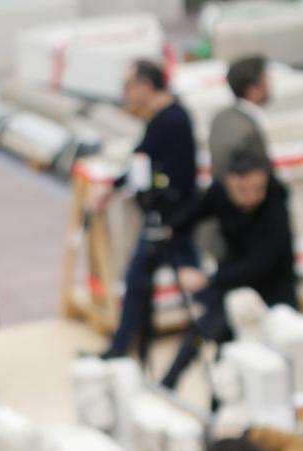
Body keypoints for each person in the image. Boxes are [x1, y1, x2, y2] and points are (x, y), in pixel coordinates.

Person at [159, 149, 297, 390]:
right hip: (232, 279)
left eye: (258, 189)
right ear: (229, 183)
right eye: (243, 190)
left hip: (272, 285)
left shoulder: (276, 202)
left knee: (276, 351)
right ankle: (172, 386)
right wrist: (183, 264)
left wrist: (208, 279)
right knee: (210, 334)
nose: (251, 197)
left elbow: (262, 262)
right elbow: (182, 222)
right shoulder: (219, 193)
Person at [99, 60, 199, 369]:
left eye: (129, 86)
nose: (126, 94)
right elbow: (140, 160)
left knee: (194, 290)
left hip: (173, 223)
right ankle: (124, 349)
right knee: (137, 283)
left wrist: (171, 222)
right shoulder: (160, 120)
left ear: (145, 84)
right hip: (160, 220)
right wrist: (111, 189)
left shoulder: (173, 120)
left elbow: (179, 177)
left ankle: (208, 340)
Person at [208, 55, 272, 180]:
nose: (270, 86)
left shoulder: (222, 118)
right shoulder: (248, 129)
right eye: (266, 80)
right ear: (253, 89)